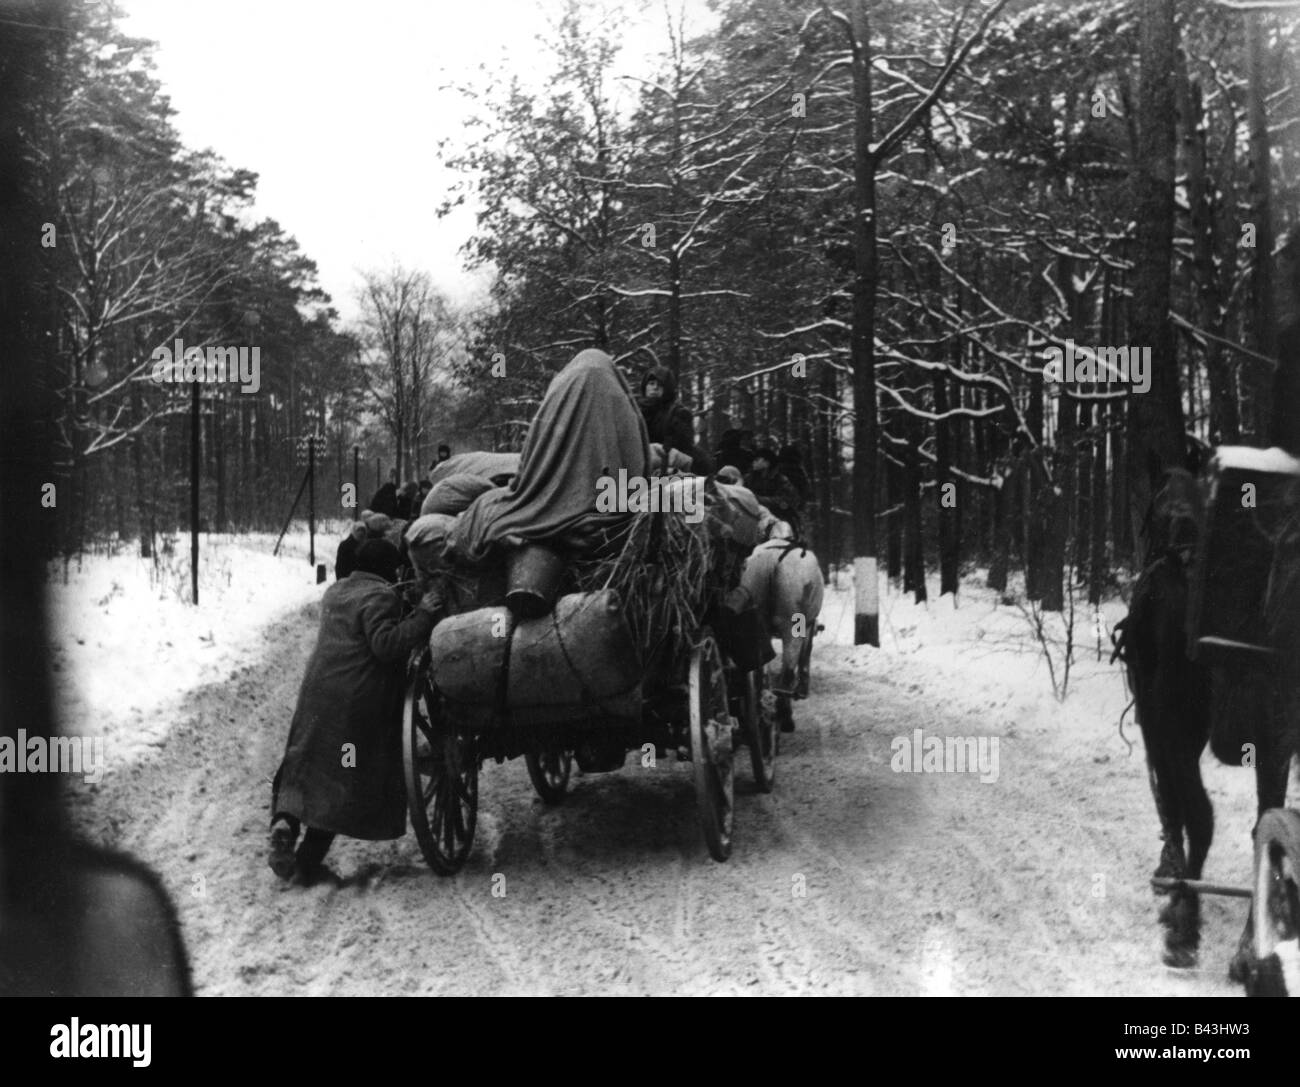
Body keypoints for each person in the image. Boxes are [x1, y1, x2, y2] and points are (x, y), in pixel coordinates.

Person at [268, 539, 446, 883]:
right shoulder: (381, 596)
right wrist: (423, 613)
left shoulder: (336, 592)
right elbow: (385, 645)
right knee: (342, 783)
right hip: (354, 703)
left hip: (316, 697)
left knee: (303, 765)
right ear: (388, 571)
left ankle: (285, 822)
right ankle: (305, 863)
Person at [637, 366, 714, 475]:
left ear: (667, 388)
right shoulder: (636, 411)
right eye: (651, 383)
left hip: (671, 464)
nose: (655, 388)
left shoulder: (678, 412)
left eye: (660, 385)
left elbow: (681, 445)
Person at [747, 447, 802, 530]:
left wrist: (759, 499)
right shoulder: (749, 478)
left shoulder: (780, 479)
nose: (753, 462)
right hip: (754, 516)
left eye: (757, 459)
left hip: (778, 517)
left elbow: (787, 500)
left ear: (767, 463)